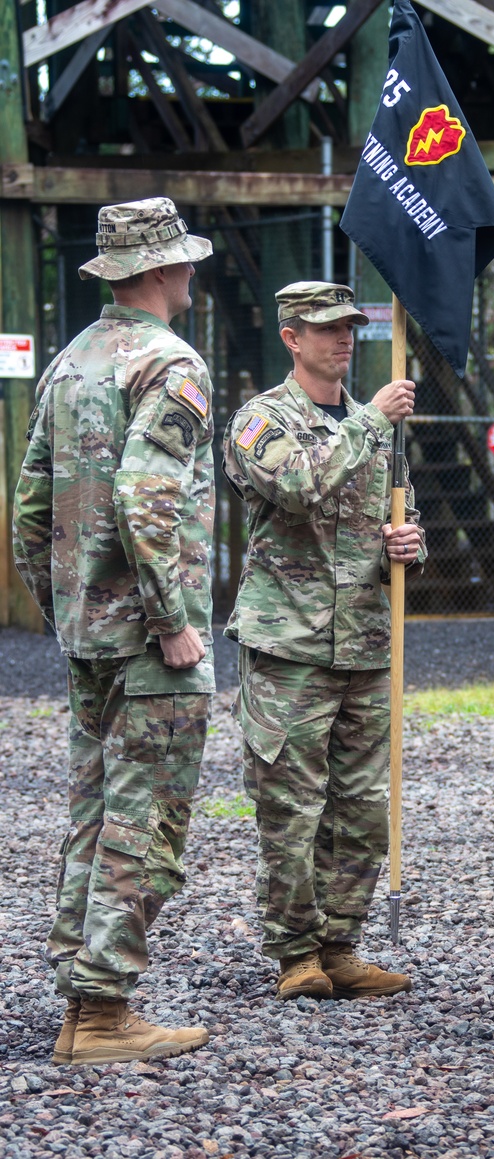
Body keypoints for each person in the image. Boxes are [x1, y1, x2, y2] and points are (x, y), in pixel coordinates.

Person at [12, 197, 216, 1064]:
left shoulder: (70, 361)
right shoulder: (171, 365)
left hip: (91, 633)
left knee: (94, 811)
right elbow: (146, 496)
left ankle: (79, 996)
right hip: (147, 641)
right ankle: (102, 1012)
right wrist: (169, 620)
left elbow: (28, 508)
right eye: (186, 262)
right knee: (148, 818)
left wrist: (66, 607)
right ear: (166, 270)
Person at [223, 281, 425, 1002]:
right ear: (291, 337)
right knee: (292, 808)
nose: (342, 339)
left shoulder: (378, 427)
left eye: (349, 327)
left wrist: (406, 543)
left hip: (365, 643)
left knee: (364, 808)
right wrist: (371, 419)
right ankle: (295, 952)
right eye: (325, 329)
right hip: (290, 645)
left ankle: (342, 942)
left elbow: (400, 514)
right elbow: (300, 486)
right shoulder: (260, 420)